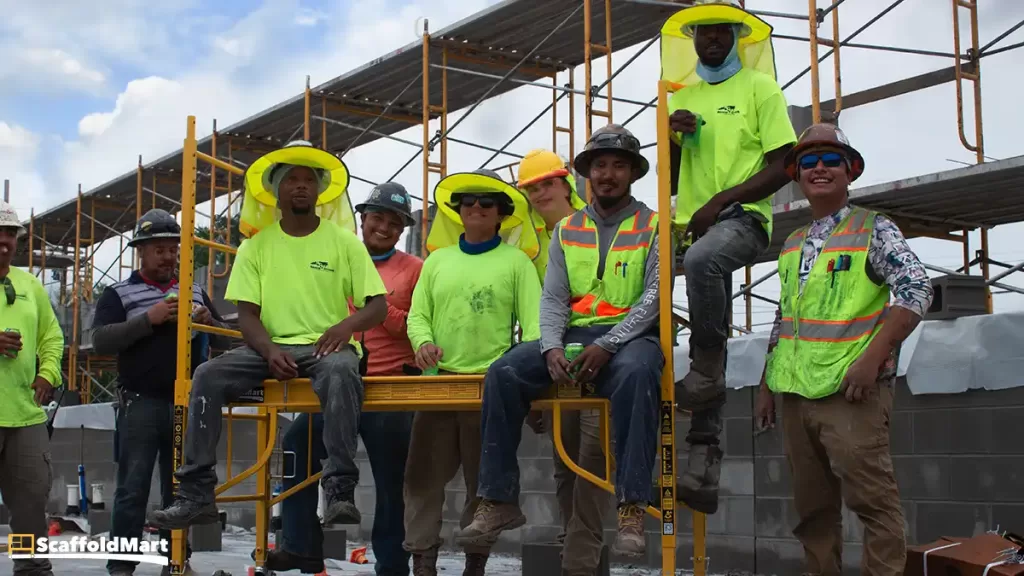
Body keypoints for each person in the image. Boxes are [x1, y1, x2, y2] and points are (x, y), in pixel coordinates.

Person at [148, 141, 388, 530]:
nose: (300, 186)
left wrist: (345, 327)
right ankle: (196, 495)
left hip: (325, 348)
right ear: (276, 190)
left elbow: (377, 306)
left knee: (343, 370)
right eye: (291, 179)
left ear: (319, 190)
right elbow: (247, 316)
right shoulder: (255, 247)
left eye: (308, 179)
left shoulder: (343, 242)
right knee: (207, 375)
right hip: (267, 348)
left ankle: (340, 490)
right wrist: (271, 350)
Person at [458, 125, 663, 559]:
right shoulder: (568, 231)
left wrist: (610, 342)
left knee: (640, 372)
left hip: (631, 339)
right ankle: (498, 500)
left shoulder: (654, 224)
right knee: (505, 372)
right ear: (587, 173)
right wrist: (551, 346)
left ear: (632, 173)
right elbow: (553, 297)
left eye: (618, 166)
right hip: (574, 338)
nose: (608, 174)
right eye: (600, 165)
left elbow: (654, 296)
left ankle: (632, 506)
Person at [756, 124, 933, 576]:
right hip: (795, 393)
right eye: (809, 162)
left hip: (851, 392)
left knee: (873, 504)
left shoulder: (874, 230)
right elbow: (786, 316)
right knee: (812, 514)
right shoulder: (794, 243)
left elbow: (915, 289)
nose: (819, 169)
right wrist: (766, 384)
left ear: (849, 171)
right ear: (797, 175)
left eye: (831, 160)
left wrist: (872, 360)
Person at [664, 0, 798, 515]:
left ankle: (707, 368)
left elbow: (785, 164)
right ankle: (702, 461)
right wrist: (674, 140)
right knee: (706, 298)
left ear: (737, 38)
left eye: (722, 32)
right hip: (695, 229)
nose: (712, 40)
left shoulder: (760, 89)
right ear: (694, 39)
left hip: (742, 221)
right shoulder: (684, 97)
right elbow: (672, 179)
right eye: (704, 33)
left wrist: (722, 201)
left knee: (702, 264)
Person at [266, 183, 421, 576]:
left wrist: (376, 306)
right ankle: (300, 547)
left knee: (391, 481)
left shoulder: (415, 270)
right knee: (297, 444)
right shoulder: (334, 259)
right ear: (363, 219)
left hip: (390, 388)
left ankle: (391, 565)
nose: (384, 228)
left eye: (394, 222)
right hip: (335, 385)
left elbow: (420, 328)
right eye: (378, 219)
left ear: (402, 229)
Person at [404, 169, 541, 576]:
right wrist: (423, 343)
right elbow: (417, 317)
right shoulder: (437, 261)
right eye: (468, 202)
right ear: (458, 211)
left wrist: (525, 384)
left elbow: (533, 329)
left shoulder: (517, 263)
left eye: (486, 203)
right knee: (421, 480)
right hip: (438, 383)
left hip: (490, 390)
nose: (477, 208)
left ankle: (475, 564)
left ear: (501, 214)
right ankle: (423, 562)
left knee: (483, 485)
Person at [92, 209, 229, 576]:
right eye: (160, 250)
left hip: (187, 405)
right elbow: (100, 340)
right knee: (132, 489)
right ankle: (121, 566)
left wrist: (209, 321)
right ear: (141, 251)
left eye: (174, 250)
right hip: (140, 402)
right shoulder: (118, 293)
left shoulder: (195, 290)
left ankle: (176, 561)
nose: (169, 257)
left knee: (181, 492)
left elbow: (222, 342)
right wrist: (147, 319)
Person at [517, 149, 610, 575]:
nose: (539, 193)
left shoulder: (596, 224)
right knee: (563, 460)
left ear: (565, 183)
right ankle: (571, 543)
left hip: (600, 353)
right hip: (553, 359)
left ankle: (580, 559)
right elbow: (527, 312)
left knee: (591, 459)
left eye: (546, 184)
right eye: (531, 188)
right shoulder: (529, 241)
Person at [0, 199, 63, 576]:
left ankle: (29, 566)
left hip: (24, 416)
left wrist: (48, 373)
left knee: (29, 503)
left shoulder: (29, 285)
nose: (4, 241)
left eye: (10, 234)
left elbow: (52, 337)